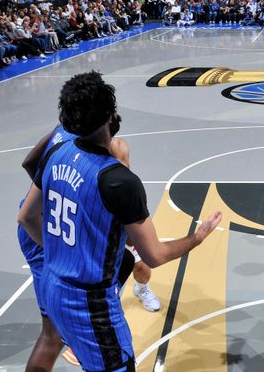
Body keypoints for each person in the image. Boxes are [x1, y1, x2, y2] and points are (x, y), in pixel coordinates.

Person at [18, 72, 222, 372]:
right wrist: (198, 236)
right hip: (89, 303)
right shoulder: (118, 180)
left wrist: (58, 252)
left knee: (51, 337)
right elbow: (155, 255)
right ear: (108, 116)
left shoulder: (57, 152)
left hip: (52, 282)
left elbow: (25, 216)